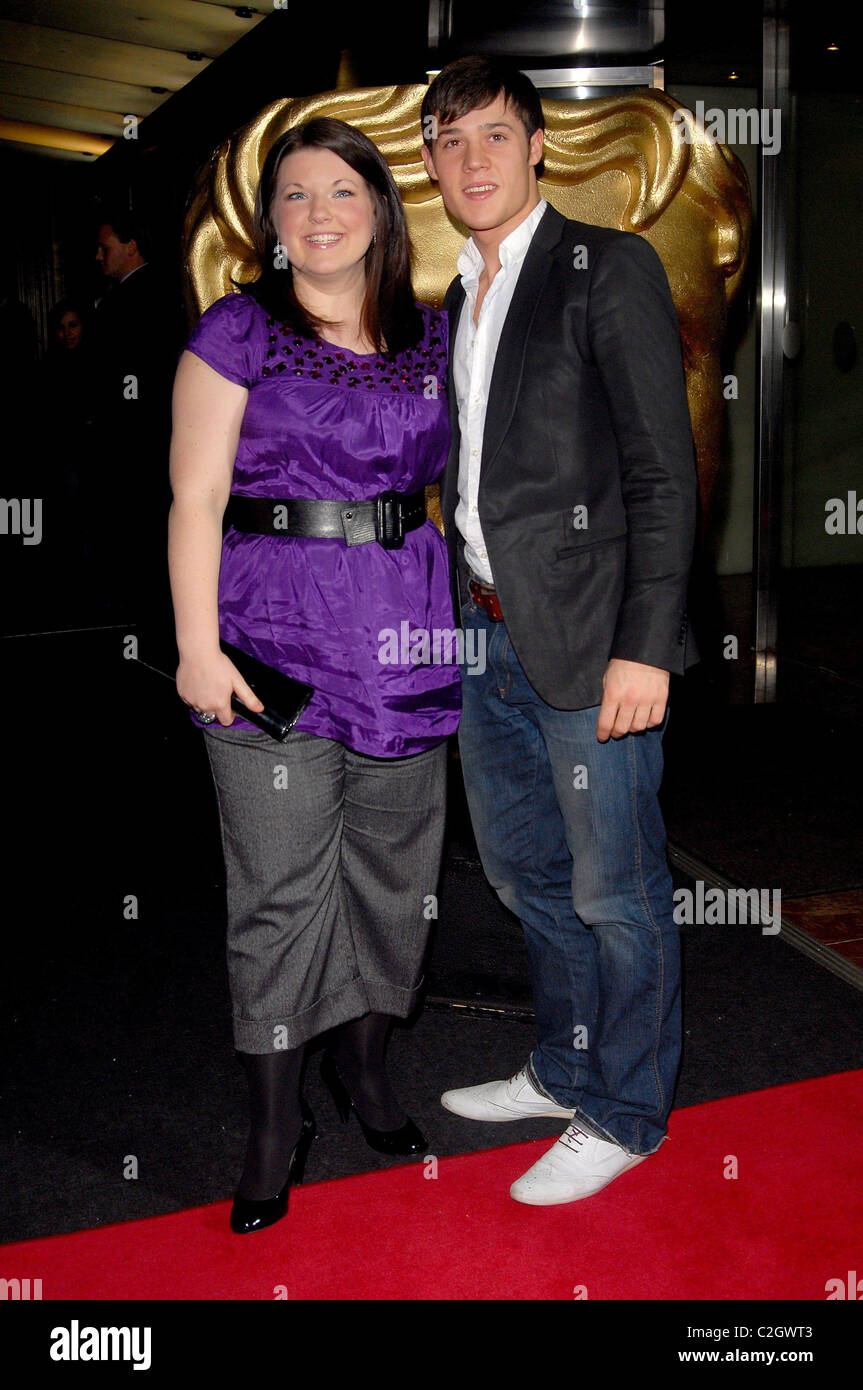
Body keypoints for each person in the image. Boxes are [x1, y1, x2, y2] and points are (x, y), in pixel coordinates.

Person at [168, 116, 460, 1233]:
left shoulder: (435, 338)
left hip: (405, 643)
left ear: (381, 210)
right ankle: (272, 1122)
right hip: (264, 645)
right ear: (270, 221)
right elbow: (194, 499)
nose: (320, 212)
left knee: (394, 882)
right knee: (280, 895)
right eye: (295, 195)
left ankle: (366, 1071)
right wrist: (197, 648)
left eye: (342, 190)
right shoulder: (237, 329)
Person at [420, 56, 698, 1205]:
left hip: (592, 646)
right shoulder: (457, 296)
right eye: (448, 139)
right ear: (430, 161)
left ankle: (627, 1111)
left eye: (493, 134)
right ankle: (565, 1063)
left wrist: (645, 642)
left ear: (538, 147)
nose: (470, 158)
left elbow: (660, 472)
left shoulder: (605, 265)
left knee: (613, 888)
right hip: (484, 637)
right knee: (526, 873)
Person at [92, 212, 178, 624]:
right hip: (154, 434)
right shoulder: (164, 290)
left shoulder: (131, 298)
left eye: (105, 248)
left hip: (134, 436)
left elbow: (120, 376)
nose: (98, 256)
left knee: (136, 526)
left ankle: (139, 610)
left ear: (132, 247)